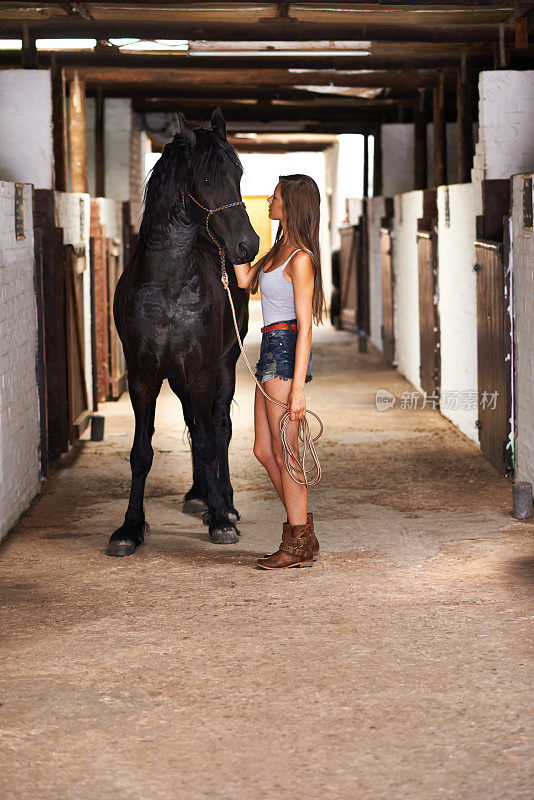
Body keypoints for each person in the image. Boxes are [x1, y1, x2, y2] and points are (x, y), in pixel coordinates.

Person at [232, 174, 326, 569]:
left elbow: (305, 327)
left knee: (288, 454)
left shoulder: (300, 258)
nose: (270, 200)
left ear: (291, 205)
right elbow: (242, 280)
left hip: (285, 351)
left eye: (276, 196)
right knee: (262, 449)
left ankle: (296, 542)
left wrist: (299, 392)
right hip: (270, 349)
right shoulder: (276, 252)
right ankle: (302, 535)